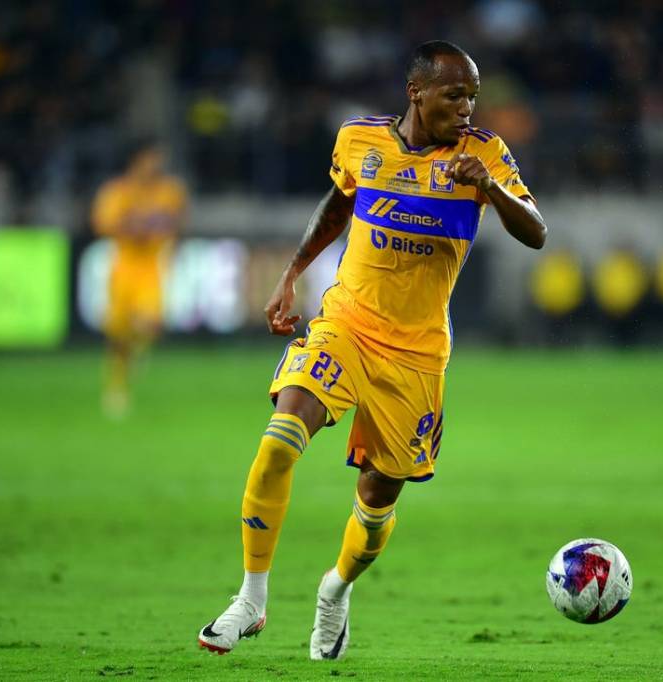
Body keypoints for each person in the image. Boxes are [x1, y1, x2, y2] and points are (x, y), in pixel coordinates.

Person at [197, 40, 546, 660]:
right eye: (454, 94)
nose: (467, 107)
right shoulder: (359, 139)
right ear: (417, 93)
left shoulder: (483, 153)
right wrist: (292, 271)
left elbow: (536, 232)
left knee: (378, 496)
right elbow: (338, 202)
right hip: (348, 322)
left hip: (417, 354)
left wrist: (490, 188)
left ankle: (334, 591)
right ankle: (251, 598)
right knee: (281, 438)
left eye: (473, 96)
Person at [91, 139, 187, 418]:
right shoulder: (117, 191)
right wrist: (133, 228)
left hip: (152, 268)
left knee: (152, 323)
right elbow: (102, 224)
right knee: (118, 334)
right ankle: (116, 386)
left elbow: (178, 220)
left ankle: (137, 350)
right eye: (151, 158)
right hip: (124, 267)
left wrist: (172, 240)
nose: (156, 165)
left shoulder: (169, 191)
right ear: (137, 160)